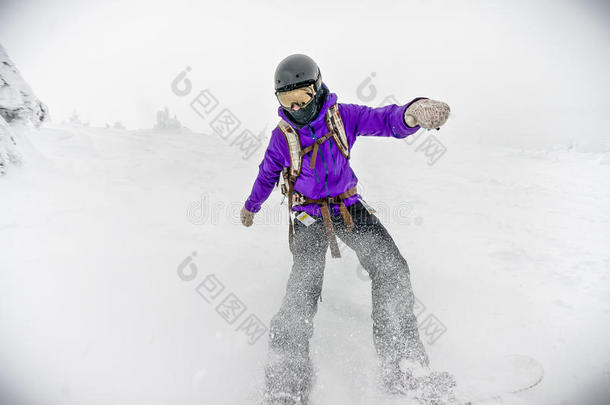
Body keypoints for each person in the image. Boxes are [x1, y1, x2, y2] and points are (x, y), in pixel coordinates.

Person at [240, 54, 452, 405]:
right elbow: (266, 173)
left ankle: (403, 366)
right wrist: (251, 205)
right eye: (286, 100)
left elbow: (384, 119)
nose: (296, 106)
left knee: (392, 269)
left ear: (318, 87)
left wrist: (413, 112)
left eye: (303, 96)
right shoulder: (283, 138)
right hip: (307, 215)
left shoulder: (342, 117)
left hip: (347, 205)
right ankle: (286, 385)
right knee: (303, 287)